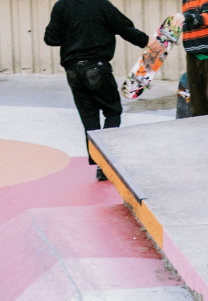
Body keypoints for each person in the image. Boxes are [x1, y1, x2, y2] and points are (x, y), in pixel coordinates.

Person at [44, 0, 162, 174]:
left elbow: (50, 38)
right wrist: (147, 41)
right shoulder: (101, 5)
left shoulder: (61, 5)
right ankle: (104, 164)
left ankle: (98, 160)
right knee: (112, 112)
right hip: (97, 67)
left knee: (89, 119)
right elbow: (125, 28)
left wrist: (72, 33)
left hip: (73, 71)